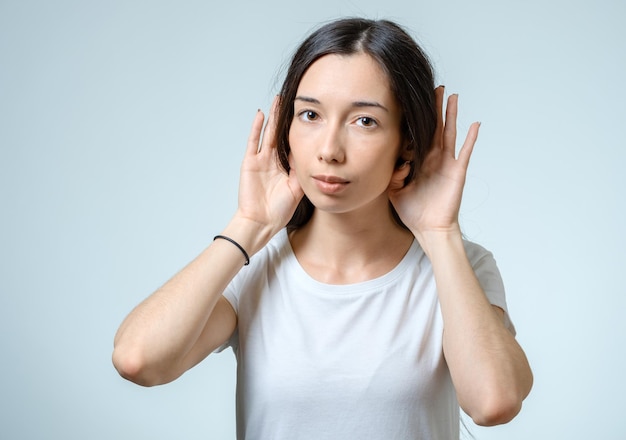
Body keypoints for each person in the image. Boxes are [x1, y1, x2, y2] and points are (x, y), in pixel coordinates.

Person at [112, 17, 533, 439]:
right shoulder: (253, 267)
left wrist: (441, 236)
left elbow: (494, 402)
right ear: (287, 129)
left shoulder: (460, 266)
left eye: (364, 121)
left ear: (406, 140)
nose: (329, 150)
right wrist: (249, 226)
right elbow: (138, 360)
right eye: (310, 114)